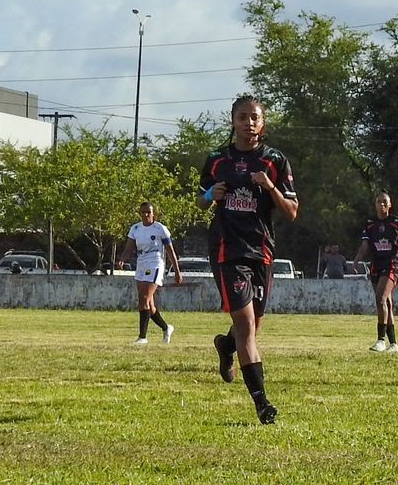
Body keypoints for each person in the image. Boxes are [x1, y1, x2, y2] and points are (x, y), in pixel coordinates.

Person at [199, 94, 298, 424]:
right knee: (245, 325)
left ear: (263, 122)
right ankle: (261, 403)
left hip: (262, 251)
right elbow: (201, 200)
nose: (249, 122)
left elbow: (292, 211)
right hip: (228, 250)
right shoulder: (218, 160)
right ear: (233, 121)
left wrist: (271, 188)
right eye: (242, 116)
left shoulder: (275, 161)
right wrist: (211, 195)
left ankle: (226, 347)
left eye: (254, 117)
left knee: (252, 326)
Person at [353, 191, 398, 352]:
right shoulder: (370, 224)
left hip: (392, 264)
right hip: (376, 264)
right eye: (378, 202)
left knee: (380, 298)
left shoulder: (397, 223)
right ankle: (393, 344)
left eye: (384, 202)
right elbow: (365, 245)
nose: (381, 205)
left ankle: (380, 340)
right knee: (386, 302)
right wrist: (357, 259)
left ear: (390, 205)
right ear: (375, 205)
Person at [120, 201, 183, 346]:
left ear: (154, 213)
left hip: (155, 263)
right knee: (149, 304)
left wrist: (177, 272)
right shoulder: (135, 228)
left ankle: (142, 337)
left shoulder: (160, 228)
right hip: (141, 263)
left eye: (148, 212)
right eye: (143, 212)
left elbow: (170, 251)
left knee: (143, 297)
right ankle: (167, 328)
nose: (145, 214)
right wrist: (122, 259)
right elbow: (129, 248)